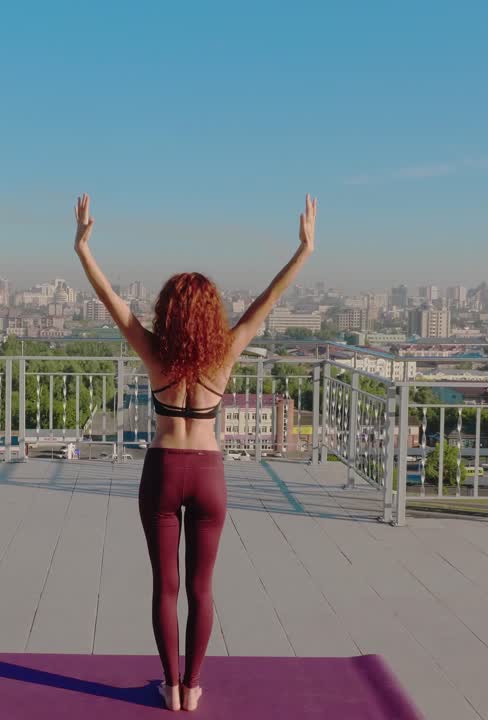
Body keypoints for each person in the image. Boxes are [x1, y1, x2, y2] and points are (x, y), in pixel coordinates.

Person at [73, 193, 316, 711]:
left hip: (163, 471)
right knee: (202, 588)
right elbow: (270, 299)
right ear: (209, 316)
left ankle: (170, 687)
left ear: (167, 312)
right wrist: (304, 250)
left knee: (165, 586)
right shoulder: (225, 353)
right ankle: (194, 686)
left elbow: (110, 299)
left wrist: (83, 249)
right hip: (208, 476)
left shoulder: (154, 352)